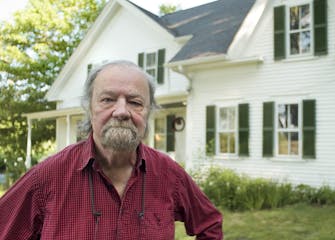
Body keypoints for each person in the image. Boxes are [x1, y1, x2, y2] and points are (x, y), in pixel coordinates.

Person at [0, 60, 223, 239]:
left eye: (135, 102)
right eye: (108, 99)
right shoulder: (47, 177)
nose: (121, 111)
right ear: (89, 108)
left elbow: (210, 224)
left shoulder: (169, 174)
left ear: (148, 112)